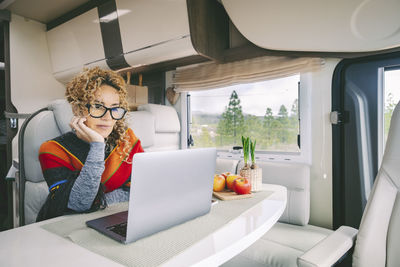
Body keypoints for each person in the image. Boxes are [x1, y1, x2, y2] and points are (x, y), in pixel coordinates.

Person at [36, 67, 144, 222]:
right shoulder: (52, 150)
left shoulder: (127, 140)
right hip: (62, 226)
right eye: (98, 106)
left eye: (115, 108)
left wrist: (99, 202)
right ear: (78, 109)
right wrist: (97, 145)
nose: (108, 117)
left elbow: (142, 188)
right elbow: (79, 204)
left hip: (112, 218)